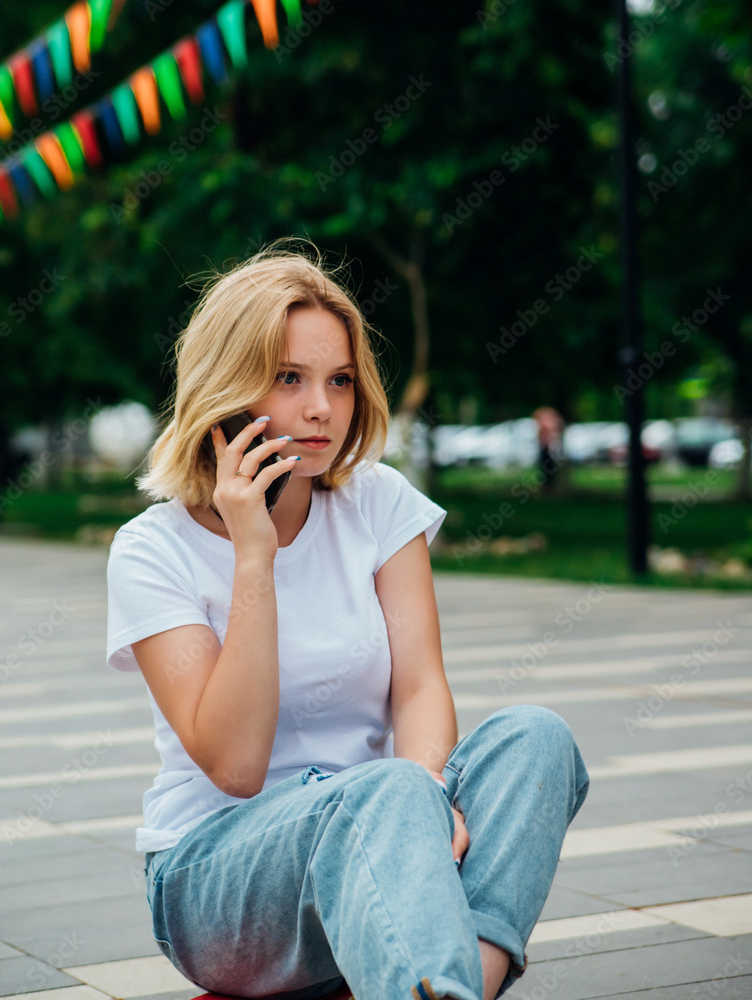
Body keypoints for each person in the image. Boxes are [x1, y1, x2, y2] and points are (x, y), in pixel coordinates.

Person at [106, 239, 589, 1000]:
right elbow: (233, 766)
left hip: (391, 831)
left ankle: (455, 982)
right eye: (287, 379)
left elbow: (421, 686)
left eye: (338, 380)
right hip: (216, 881)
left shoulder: (376, 501)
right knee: (384, 790)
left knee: (535, 739)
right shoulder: (149, 551)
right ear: (226, 388)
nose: (321, 408)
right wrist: (254, 556)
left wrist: (427, 794)